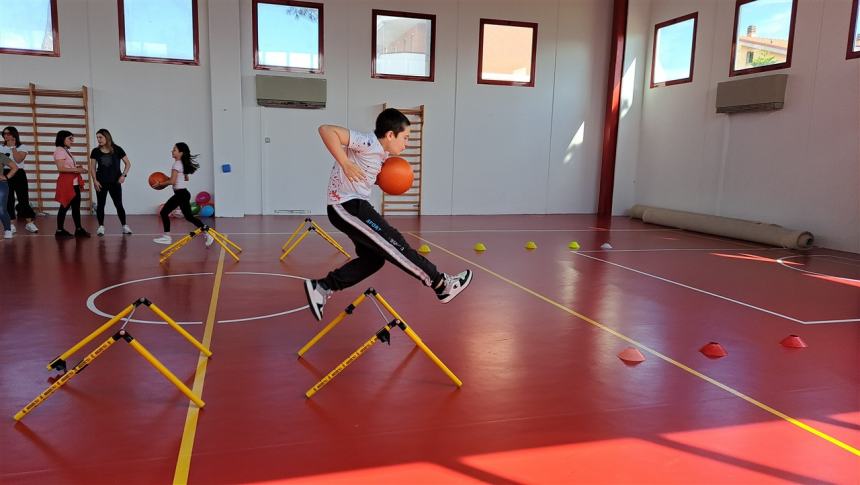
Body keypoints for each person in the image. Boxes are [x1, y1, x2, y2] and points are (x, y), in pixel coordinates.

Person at [304, 108, 472, 321]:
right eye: (405, 137)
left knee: (374, 259)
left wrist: (378, 179)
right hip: (346, 205)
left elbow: (365, 171)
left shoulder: (380, 154)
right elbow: (326, 130)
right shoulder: (367, 142)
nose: (407, 143)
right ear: (390, 135)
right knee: (394, 243)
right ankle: (441, 283)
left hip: (354, 204)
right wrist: (345, 164)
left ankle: (322, 287)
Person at [151, 142, 213, 247]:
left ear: (181, 153)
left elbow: (172, 182)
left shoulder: (176, 164)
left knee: (164, 212)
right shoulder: (182, 164)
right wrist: (170, 181)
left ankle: (167, 237)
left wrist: (160, 184)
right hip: (183, 193)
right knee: (189, 217)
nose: (172, 151)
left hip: (180, 194)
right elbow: (185, 178)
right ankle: (207, 232)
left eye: (174, 149)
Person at [89, 128, 132, 236]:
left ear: (107, 137)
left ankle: (124, 226)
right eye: (97, 137)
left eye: (100, 137)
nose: (98, 139)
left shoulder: (117, 149)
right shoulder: (95, 151)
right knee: (101, 205)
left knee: (118, 204)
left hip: (115, 182)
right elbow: (92, 167)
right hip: (101, 182)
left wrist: (123, 175)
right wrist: (95, 180)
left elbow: (128, 164)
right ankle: (101, 227)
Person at [0, 126, 38, 233]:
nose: (6, 135)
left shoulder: (22, 147)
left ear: (14, 134)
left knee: (23, 198)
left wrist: (13, 148)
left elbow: (18, 159)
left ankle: (29, 223)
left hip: (19, 173)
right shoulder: (0, 147)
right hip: (5, 173)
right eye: (4, 133)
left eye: (8, 133)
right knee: (9, 200)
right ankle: (11, 224)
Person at [53, 130, 89, 238]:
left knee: (76, 208)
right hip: (67, 183)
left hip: (74, 183)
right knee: (64, 207)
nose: (72, 141)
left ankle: (78, 229)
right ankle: (59, 231)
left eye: (72, 138)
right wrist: (77, 170)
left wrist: (78, 168)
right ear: (62, 138)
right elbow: (61, 168)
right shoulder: (60, 150)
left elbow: (68, 167)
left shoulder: (65, 150)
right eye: (70, 138)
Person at [0, 151, 19, 239]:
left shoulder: (1, 155)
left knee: (1, 209)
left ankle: (8, 229)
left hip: (1, 185)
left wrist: (6, 177)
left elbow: (15, 167)